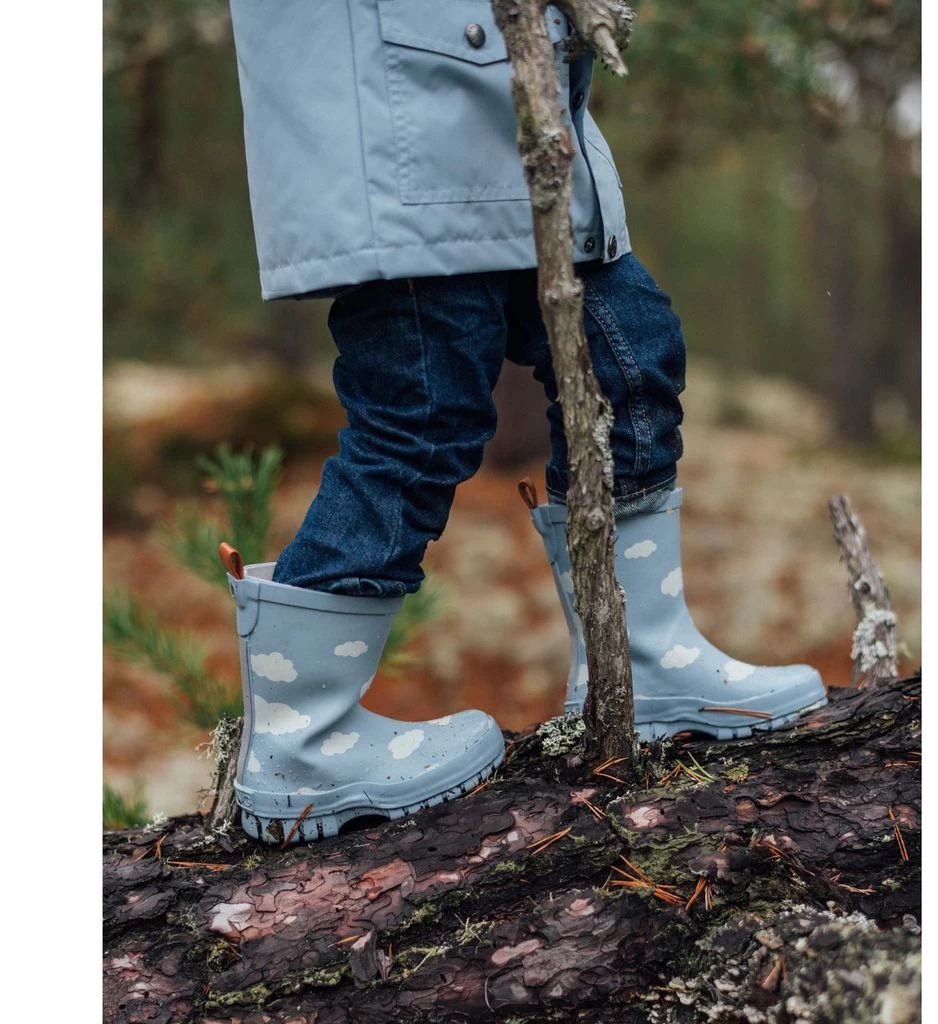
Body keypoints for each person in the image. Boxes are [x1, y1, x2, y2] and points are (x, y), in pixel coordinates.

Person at [223, 1, 827, 845]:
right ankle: (304, 740)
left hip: (511, 121)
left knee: (631, 357)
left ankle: (647, 661)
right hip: (399, 129)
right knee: (421, 415)